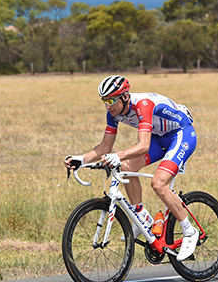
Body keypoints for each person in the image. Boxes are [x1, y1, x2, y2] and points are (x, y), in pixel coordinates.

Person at [64, 75, 199, 261]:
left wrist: (116, 156)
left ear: (125, 97)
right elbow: (105, 147)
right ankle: (142, 216)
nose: (108, 106)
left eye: (111, 100)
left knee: (159, 184)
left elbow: (143, 146)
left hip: (181, 133)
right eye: (104, 101)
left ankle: (189, 231)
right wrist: (81, 159)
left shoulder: (142, 104)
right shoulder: (113, 113)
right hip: (159, 137)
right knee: (126, 166)